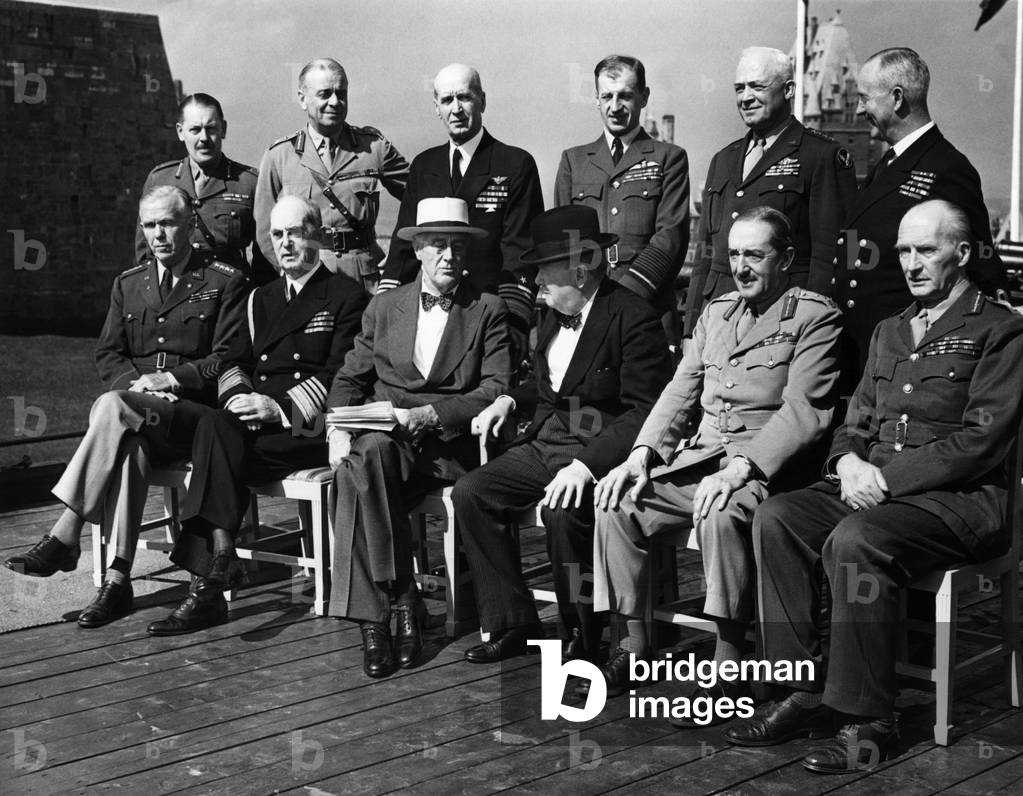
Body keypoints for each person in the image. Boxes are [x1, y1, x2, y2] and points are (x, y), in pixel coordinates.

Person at [726, 200, 1023, 773]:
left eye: (926, 250)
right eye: (904, 251)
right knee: (778, 517)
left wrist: (885, 478)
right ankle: (802, 688)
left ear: (961, 254)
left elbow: (980, 443)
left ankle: (867, 719)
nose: (911, 264)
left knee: (857, 539)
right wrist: (849, 465)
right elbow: (855, 423)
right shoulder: (890, 331)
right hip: (874, 487)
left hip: (958, 505)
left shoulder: (1000, 332)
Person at [591, 207, 842, 702]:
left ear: (786, 258)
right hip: (701, 462)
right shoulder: (716, 313)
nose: (742, 266)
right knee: (616, 502)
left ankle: (728, 657)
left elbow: (803, 412)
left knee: (720, 511)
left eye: (755, 254)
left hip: (771, 471)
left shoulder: (815, 317)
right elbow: (679, 393)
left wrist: (741, 470)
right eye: (733, 255)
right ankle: (633, 645)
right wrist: (642, 454)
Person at [3, 186, 249, 628]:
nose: (159, 234)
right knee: (127, 444)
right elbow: (108, 354)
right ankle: (117, 581)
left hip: (193, 419)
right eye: (150, 225)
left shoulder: (222, 281)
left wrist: (172, 379)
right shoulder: (129, 284)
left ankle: (65, 531)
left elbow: (228, 357)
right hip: (139, 413)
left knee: (112, 409)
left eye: (168, 223)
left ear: (190, 224)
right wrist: (135, 386)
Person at [453, 205, 671, 665]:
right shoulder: (552, 315)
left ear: (581, 269)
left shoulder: (633, 317)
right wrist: (510, 399)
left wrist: (586, 466)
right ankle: (515, 622)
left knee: (562, 512)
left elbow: (645, 411)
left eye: (544, 273)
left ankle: (582, 635)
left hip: (603, 450)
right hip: (547, 441)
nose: (536, 284)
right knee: (471, 492)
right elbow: (551, 382)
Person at [145, 195, 366, 636]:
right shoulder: (260, 298)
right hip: (253, 426)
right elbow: (233, 362)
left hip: (309, 427)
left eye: (296, 233)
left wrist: (275, 408)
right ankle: (220, 552)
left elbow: (340, 375)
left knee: (213, 443)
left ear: (317, 236)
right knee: (214, 422)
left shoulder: (347, 297)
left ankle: (209, 579)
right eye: (278, 235)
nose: (285, 244)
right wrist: (239, 399)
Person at [326, 197, 513, 678]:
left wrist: (432, 414)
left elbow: (495, 387)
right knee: (361, 456)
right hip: (389, 443)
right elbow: (350, 377)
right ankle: (401, 604)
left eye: (457, 246)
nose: (448, 255)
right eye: (438, 246)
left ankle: (380, 613)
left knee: (356, 474)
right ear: (419, 251)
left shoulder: (487, 308)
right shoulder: (385, 306)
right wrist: (335, 428)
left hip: (445, 448)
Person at [835, 47, 1006, 380]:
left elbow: (982, 267)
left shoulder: (947, 168)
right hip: (864, 351)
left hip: (905, 358)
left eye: (865, 98)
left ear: (897, 98)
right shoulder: (886, 164)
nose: (858, 109)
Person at [684, 46, 856, 338]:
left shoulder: (821, 156)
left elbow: (831, 256)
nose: (746, 97)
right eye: (739, 88)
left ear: (788, 90)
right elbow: (704, 255)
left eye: (757, 86)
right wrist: (690, 329)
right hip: (717, 321)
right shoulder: (723, 160)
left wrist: (810, 327)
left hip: (782, 318)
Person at [380, 64, 543, 363]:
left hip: (488, 312)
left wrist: (514, 320)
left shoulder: (515, 164)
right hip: (428, 315)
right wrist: (383, 310)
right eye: (446, 100)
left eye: (464, 98)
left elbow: (519, 252)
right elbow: (403, 250)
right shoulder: (424, 166)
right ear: (436, 108)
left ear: (482, 100)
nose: (456, 109)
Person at [554, 55, 690, 347]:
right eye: (607, 96)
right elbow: (564, 243)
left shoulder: (669, 158)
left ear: (644, 97)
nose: (615, 107)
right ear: (596, 99)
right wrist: (590, 302)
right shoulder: (573, 161)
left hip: (647, 313)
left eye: (625, 96)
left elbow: (671, 238)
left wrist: (623, 298)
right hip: (587, 314)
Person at [253, 58, 408, 295]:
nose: (335, 102)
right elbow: (264, 226)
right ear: (302, 99)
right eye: (325, 94)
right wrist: (291, 271)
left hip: (363, 277)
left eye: (341, 93)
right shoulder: (280, 155)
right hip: (307, 275)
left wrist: (400, 252)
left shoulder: (373, 147)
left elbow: (420, 195)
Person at [136, 93, 275, 285]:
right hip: (176, 297)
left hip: (230, 299)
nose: (203, 138)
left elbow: (266, 254)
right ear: (180, 131)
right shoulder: (160, 180)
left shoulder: (248, 182)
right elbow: (145, 251)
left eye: (210, 129)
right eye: (195, 130)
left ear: (223, 129)